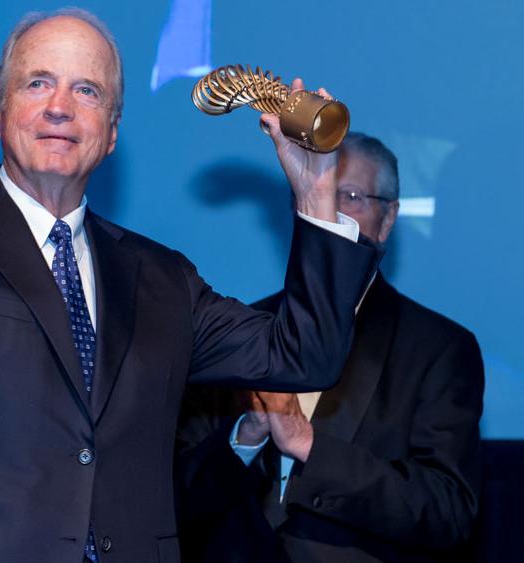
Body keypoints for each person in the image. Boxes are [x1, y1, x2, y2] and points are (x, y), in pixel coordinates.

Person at [0, 9, 378, 562]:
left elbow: (307, 354)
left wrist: (315, 193)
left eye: (87, 90)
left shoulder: (163, 277)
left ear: (111, 134)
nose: (60, 105)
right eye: (38, 83)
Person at [175, 132, 484, 563]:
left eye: (352, 196)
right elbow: (172, 501)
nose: (332, 214)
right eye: (317, 197)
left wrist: (308, 445)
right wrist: (243, 440)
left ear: (389, 218)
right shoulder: (238, 330)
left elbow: (447, 513)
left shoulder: (439, 348)